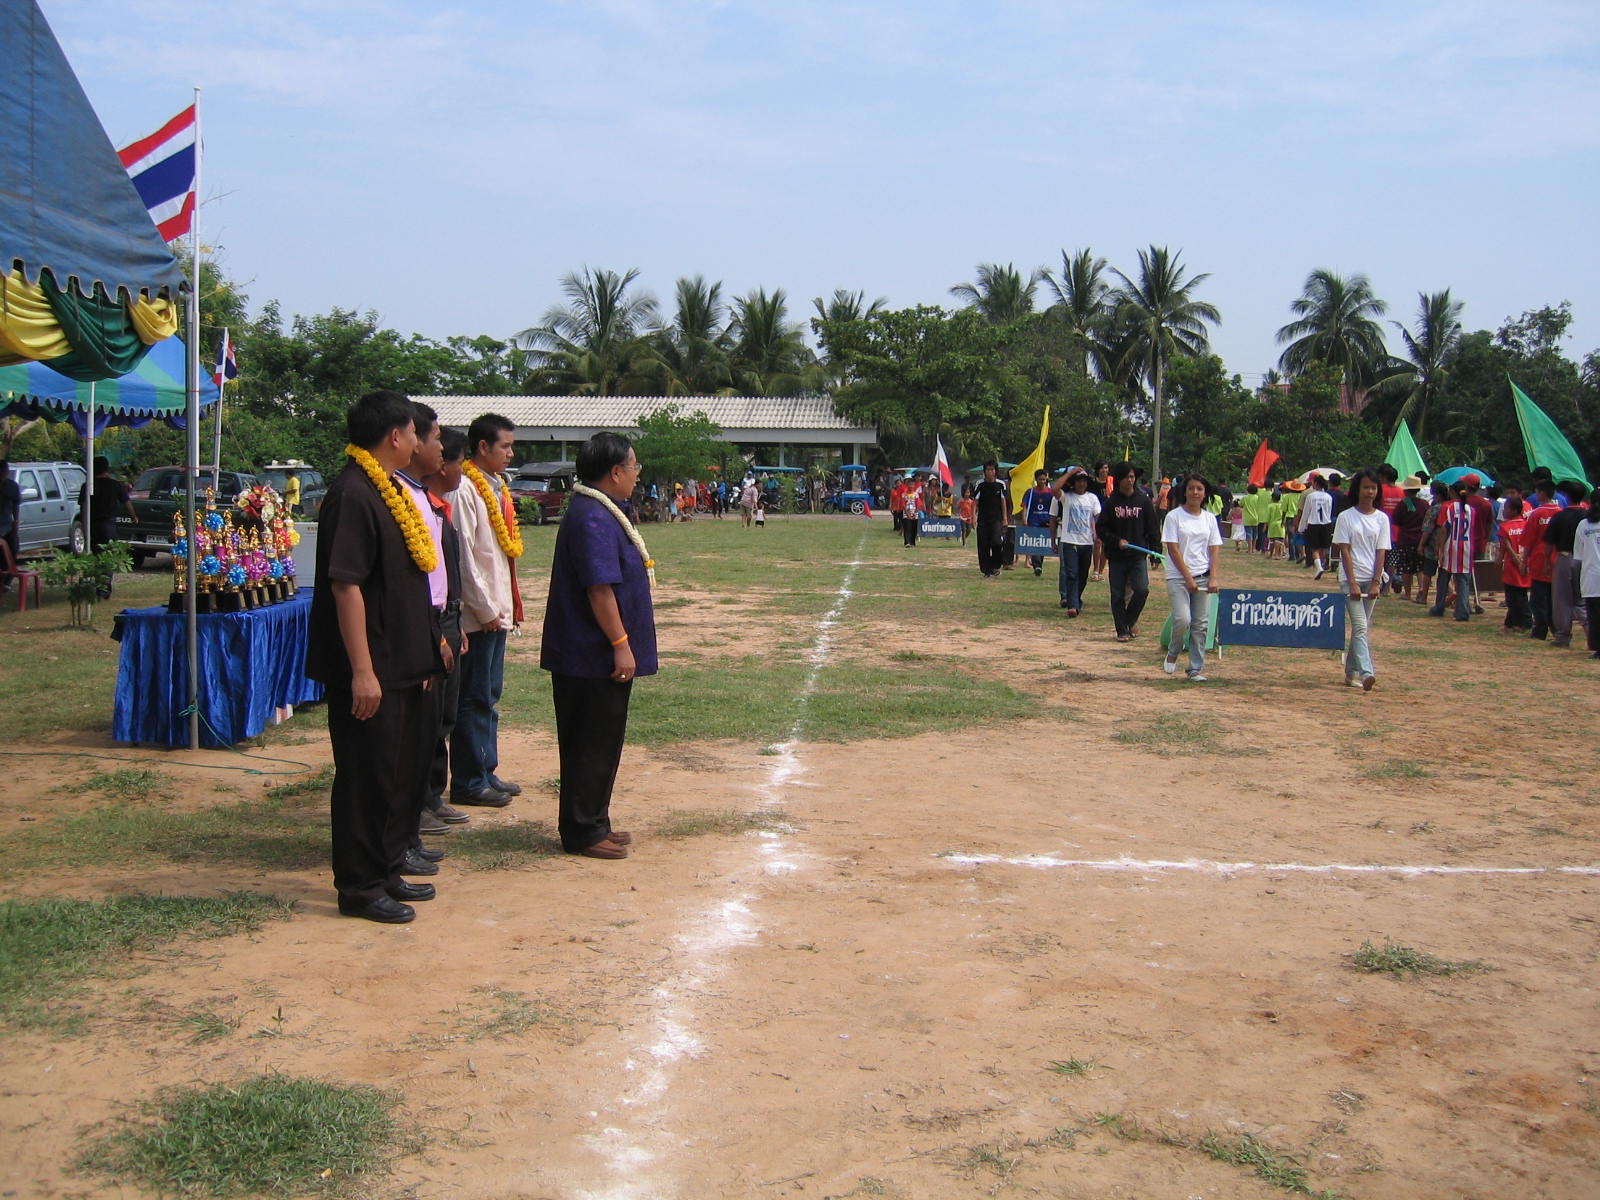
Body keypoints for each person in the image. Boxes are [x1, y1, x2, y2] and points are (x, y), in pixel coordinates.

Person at [305, 390, 441, 924]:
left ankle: (385, 868)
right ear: (395, 435)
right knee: (366, 777)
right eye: (413, 431)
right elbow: (346, 586)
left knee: (397, 774)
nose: (418, 440)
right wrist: (362, 671)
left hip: (402, 662)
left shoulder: (388, 487)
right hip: (372, 667)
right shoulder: (353, 492)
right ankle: (359, 887)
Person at [541, 432, 656, 859]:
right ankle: (582, 830)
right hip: (590, 653)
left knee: (603, 739)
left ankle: (595, 819)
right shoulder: (591, 517)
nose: (637, 474)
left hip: (596, 652)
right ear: (615, 472)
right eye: (634, 466)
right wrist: (621, 644)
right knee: (589, 741)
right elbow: (599, 588)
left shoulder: (601, 510)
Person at [450, 412, 523, 808]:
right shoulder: (464, 489)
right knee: (474, 697)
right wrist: (485, 609)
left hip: (496, 611)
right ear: (482, 447)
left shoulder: (495, 487)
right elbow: (464, 557)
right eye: (505, 446)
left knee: (489, 695)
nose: (510, 454)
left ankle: (486, 769)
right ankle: (468, 780)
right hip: (479, 616)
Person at [1333, 468, 1391, 690]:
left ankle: (1350, 673)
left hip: (1372, 579)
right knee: (1359, 626)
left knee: (1362, 628)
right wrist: (1353, 582)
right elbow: (1344, 551)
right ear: (1357, 489)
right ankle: (1367, 672)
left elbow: (1381, 552)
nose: (1370, 492)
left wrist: (1377, 582)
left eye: (1373, 488)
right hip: (1351, 580)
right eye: (1366, 487)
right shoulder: (1346, 517)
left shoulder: (1382, 519)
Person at [1161, 473, 1222, 681]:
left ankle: (1195, 668)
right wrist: (1188, 577)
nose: (1195, 492)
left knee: (1200, 624)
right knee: (1183, 618)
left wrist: (1213, 577)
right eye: (1191, 488)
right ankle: (1173, 650)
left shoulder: (1210, 519)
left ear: (1205, 493)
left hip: (1203, 576)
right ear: (1185, 492)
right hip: (1178, 577)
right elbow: (1173, 549)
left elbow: (1214, 549)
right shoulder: (1174, 517)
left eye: (1199, 489)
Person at [1097, 462, 1161, 643]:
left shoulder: (1144, 501)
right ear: (1119, 480)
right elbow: (1101, 529)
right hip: (1117, 557)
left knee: (1141, 589)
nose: (1130, 480)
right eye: (1126, 477)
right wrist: (1116, 541)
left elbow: (1152, 528)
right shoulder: (1111, 502)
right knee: (1117, 595)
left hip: (1138, 555)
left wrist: (1155, 551)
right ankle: (1122, 630)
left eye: (1132, 477)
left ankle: (1128, 620)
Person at [77, 456, 136, 598]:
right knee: (108, 557)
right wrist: (134, 517)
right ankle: (104, 588)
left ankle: (98, 585)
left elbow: (83, 508)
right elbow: (127, 502)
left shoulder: (87, 486)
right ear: (107, 469)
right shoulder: (115, 485)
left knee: (96, 555)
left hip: (93, 525)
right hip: (108, 525)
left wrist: (84, 527)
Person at [1544, 480, 1592, 648]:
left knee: (1562, 599)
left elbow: (1549, 543)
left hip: (1565, 558)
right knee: (1583, 600)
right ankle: (1592, 635)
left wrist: (1546, 563)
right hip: (1585, 560)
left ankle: (1563, 635)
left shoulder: (1559, 516)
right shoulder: (1588, 516)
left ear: (1566, 496)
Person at [1050, 467, 1100, 616]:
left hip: (1086, 542)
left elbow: (1097, 517)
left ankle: (1076, 600)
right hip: (1069, 541)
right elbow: (1055, 489)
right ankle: (1073, 606)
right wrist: (1071, 473)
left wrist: (1097, 533)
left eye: (1084, 480)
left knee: (1082, 575)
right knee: (1071, 574)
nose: (1081, 484)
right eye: (1078, 480)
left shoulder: (1092, 498)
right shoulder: (1067, 497)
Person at [1429, 480, 1477, 621]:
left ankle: (1439, 607)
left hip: (1450, 546)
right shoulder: (1470, 509)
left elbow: (1443, 529)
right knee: (1463, 581)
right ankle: (1463, 610)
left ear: (1451, 492)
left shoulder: (1447, 507)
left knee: (1443, 579)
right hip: (1466, 547)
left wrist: (1439, 547)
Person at [1520, 480, 1562, 639]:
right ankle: (1555, 627)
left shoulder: (1536, 514)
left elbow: (1528, 541)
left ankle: (1540, 629)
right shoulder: (1560, 512)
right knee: (1554, 598)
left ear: (1542, 493)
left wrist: (1524, 561)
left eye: (1537, 492)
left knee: (1538, 599)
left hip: (1539, 560)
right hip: (1557, 561)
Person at [1498, 497, 1533, 632]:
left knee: (1514, 597)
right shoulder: (1527, 525)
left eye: (1506, 508)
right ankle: (1511, 622)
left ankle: (1526, 621)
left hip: (1512, 567)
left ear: (1513, 510)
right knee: (1520, 594)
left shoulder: (1505, 527)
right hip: (1525, 563)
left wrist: (1500, 559)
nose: (1504, 511)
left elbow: (1506, 547)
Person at [1572, 494, 1600, 660]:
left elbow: (1578, 555)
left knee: (1595, 615)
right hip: (1590, 575)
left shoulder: (1584, 525)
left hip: (1591, 576)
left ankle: (1598, 647)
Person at [973, 461, 1009, 579]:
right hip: (983, 519)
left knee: (996, 542)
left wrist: (1005, 518)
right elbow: (975, 502)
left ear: (996, 471)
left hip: (996, 519)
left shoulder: (1001, 484)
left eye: (992, 469)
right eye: (988, 470)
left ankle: (995, 565)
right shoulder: (980, 484)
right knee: (983, 545)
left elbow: (1003, 501)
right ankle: (986, 570)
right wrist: (974, 517)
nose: (990, 472)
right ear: (984, 471)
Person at [1300, 473, 1335, 577]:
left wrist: (1302, 527)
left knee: (1314, 548)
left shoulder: (1311, 496)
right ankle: (1321, 565)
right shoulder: (1328, 497)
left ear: (1316, 483)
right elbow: (1329, 511)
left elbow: (1306, 512)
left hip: (1313, 523)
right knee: (1322, 547)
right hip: (1326, 523)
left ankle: (1319, 567)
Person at [1023, 469, 1054, 575]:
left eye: (1044, 479)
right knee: (1034, 544)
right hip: (1033, 521)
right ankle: (1037, 565)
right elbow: (1025, 506)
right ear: (1036, 479)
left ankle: (1039, 564)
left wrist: (1053, 520)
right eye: (1040, 479)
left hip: (1046, 521)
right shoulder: (1030, 492)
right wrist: (1024, 519)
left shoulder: (1050, 492)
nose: (1042, 482)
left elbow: (1054, 507)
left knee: (1042, 544)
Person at [0, 461, 19, 588]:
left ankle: (7, 580)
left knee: (12, 550)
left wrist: (16, 522)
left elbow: (16, 505)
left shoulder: (11, 486)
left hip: (7, 525)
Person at [901, 473, 923, 547]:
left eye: (912, 485)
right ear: (907, 485)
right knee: (907, 528)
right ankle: (907, 542)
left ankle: (912, 542)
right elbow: (903, 505)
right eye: (910, 484)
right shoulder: (904, 494)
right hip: (906, 514)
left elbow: (918, 504)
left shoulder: (916, 494)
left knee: (914, 529)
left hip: (914, 514)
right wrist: (907, 514)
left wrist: (915, 513)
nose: (911, 486)